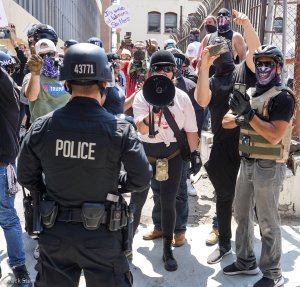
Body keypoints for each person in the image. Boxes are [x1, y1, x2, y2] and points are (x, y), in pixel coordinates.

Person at [17, 43, 152, 287]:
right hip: (102, 237)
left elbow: (25, 176)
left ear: (67, 85)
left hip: (55, 232)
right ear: (104, 85)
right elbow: (141, 178)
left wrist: (50, 188)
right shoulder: (120, 130)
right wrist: (116, 184)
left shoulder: (42, 127)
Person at [222, 44, 295, 287]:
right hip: (248, 162)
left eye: (268, 63)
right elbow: (226, 121)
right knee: (241, 213)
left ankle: (273, 273)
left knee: (267, 220)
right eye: (259, 63)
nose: (263, 68)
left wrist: (249, 116)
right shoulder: (250, 92)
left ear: (278, 67)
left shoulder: (283, 97)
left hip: (269, 166)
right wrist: (243, 115)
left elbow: (275, 135)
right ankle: (245, 261)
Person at [195, 9, 260, 264]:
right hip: (222, 145)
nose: (219, 52)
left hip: (246, 144)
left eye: (223, 48)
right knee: (223, 197)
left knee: (248, 200)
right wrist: (203, 67)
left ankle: (249, 246)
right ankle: (224, 245)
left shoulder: (244, 70)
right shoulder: (211, 80)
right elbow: (201, 100)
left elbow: (254, 49)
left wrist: (246, 25)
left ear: (232, 50)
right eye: (214, 48)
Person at [131, 50, 201, 271]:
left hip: (172, 155)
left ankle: (167, 250)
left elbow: (191, 130)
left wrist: (194, 154)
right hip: (147, 153)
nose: (163, 72)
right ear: (151, 71)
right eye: (158, 68)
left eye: (167, 68)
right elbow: (140, 127)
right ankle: (125, 246)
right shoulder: (142, 96)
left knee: (168, 201)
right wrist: (153, 111)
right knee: (138, 200)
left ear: (175, 71)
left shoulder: (181, 97)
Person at [0, 51, 32, 287]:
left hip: (2, 166)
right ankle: (20, 269)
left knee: (8, 218)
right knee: (8, 218)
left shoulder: (7, 91)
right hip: (5, 164)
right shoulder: (12, 91)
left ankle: (19, 268)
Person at [22, 38, 71, 123]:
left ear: (56, 55)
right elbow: (31, 97)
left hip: (65, 125)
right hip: (42, 128)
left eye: (49, 54)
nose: (46, 58)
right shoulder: (30, 77)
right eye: (41, 56)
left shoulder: (66, 75)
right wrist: (35, 73)